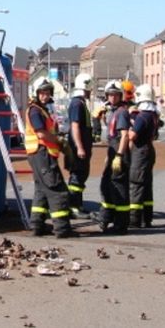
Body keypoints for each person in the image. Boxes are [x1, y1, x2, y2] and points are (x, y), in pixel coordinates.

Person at [25, 77, 79, 238]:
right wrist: (59, 141)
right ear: (36, 94)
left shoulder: (41, 110)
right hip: (42, 154)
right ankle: (62, 229)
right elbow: (41, 133)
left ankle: (37, 225)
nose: (45, 96)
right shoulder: (35, 110)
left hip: (38, 154)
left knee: (41, 191)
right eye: (42, 93)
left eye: (47, 93)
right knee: (58, 191)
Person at [91, 80, 131, 235]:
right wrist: (110, 157)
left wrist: (119, 155)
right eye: (110, 95)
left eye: (115, 95)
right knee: (107, 185)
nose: (113, 97)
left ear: (120, 96)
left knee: (119, 188)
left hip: (119, 151)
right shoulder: (113, 112)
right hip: (113, 150)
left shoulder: (121, 112)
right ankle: (106, 218)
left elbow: (125, 135)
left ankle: (121, 224)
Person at [128, 84, 159, 228]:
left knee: (136, 183)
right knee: (146, 185)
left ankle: (134, 219)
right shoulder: (153, 115)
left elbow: (133, 135)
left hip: (140, 150)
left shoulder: (142, 116)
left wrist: (129, 125)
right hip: (149, 149)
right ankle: (147, 218)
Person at [66, 73, 94, 220]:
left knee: (80, 177)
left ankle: (77, 205)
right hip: (78, 149)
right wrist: (80, 147)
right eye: (89, 90)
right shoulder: (77, 104)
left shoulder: (80, 103)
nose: (90, 92)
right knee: (77, 178)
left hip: (81, 148)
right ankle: (74, 207)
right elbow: (75, 126)